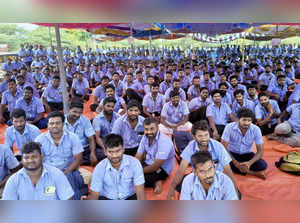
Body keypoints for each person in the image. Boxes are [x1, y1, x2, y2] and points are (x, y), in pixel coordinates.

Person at [167, 120, 237, 200]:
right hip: (198, 175)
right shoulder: (191, 146)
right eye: (200, 136)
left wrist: (234, 189)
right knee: (181, 184)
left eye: (206, 135)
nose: (204, 139)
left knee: (234, 194)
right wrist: (171, 189)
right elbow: (181, 170)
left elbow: (228, 171)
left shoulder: (218, 146)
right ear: (193, 136)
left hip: (215, 177)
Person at [35, 111, 87, 200]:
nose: (54, 126)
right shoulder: (40, 139)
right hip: (49, 172)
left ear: (63, 124)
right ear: (47, 125)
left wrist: (64, 173)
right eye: (51, 123)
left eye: (57, 123)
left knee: (68, 181)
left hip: (68, 170)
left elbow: (78, 159)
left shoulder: (72, 137)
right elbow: (37, 161)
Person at [2, 142, 74, 200]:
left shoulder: (56, 174)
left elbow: (67, 200)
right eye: (26, 158)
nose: (30, 160)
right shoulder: (14, 180)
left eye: (34, 156)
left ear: (41, 157)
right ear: (21, 160)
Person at [82, 134, 145, 200]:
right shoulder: (99, 168)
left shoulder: (135, 163)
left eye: (118, 151)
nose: (114, 155)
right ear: (105, 152)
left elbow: (140, 195)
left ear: (123, 149)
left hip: (129, 198)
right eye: (110, 152)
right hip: (107, 200)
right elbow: (94, 196)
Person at [221, 108, 267, 180]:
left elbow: (260, 151)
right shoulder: (229, 127)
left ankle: (244, 168)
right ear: (238, 119)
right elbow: (223, 147)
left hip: (247, 154)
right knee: (225, 165)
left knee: (262, 165)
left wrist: (249, 163)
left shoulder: (256, 129)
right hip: (232, 154)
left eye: (249, 120)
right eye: (244, 120)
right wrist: (235, 163)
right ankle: (254, 173)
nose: (246, 123)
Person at [135, 118, 175, 194]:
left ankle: (157, 179)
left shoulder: (164, 142)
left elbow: (155, 166)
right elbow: (138, 155)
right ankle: (156, 180)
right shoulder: (145, 137)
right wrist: (134, 168)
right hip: (148, 162)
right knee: (131, 173)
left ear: (158, 127)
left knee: (137, 181)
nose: (149, 132)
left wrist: (137, 172)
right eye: (146, 129)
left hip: (161, 168)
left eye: (152, 129)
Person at [64, 99, 98, 166]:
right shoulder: (61, 120)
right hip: (68, 151)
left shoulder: (85, 120)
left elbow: (91, 139)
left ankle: (76, 162)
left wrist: (92, 153)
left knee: (102, 154)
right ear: (68, 110)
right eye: (74, 112)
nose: (77, 115)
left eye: (80, 113)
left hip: (83, 150)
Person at [92, 97, 120, 165]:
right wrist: (106, 149)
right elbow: (97, 138)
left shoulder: (118, 117)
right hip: (103, 145)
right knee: (104, 154)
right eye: (108, 106)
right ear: (103, 106)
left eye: (112, 107)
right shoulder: (97, 119)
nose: (110, 108)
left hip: (116, 143)